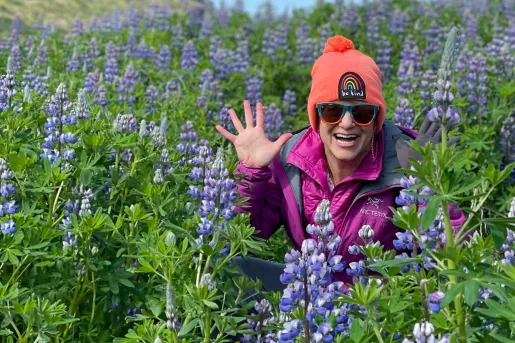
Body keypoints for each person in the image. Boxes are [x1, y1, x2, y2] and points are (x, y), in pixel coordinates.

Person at [215, 35, 465, 292]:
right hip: (308, 299)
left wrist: (427, 186)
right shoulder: (290, 159)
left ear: (377, 119)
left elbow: (459, 256)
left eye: (363, 113)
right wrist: (252, 172)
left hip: (382, 312)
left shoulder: (405, 161)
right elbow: (240, 237)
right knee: (227, 269)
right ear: (317, 116)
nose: (346, 123)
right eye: (333, 111)